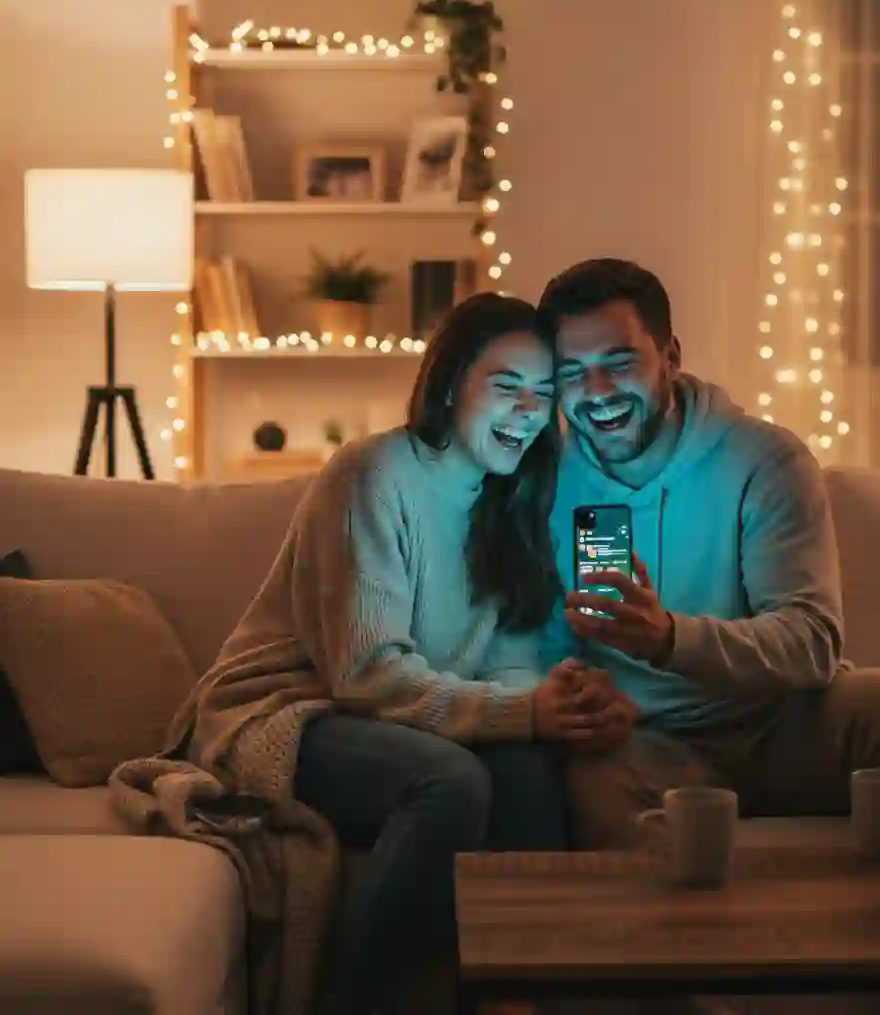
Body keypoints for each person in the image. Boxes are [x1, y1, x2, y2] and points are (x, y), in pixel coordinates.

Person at [207, 292, 628, 1015]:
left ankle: (519, 1003)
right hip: (290, 711)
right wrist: (525, 710)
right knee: (450, 781)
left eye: (542, 394)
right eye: (505, 386)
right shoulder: (372, 475)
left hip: (395, 713)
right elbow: (365, 674)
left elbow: (510, 658)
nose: (528, 411)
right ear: (448, 383)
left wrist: (550, 698)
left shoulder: (511, 498)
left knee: (529, 770)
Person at [534, 257, 880, 840]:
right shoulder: (543, 482)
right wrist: (574, 688)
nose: (596, 392)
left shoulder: (763, 461)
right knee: (590, 785)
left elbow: (812, 644)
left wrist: (669, 639)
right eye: (572, 371)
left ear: (671, 357)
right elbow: (526, 637)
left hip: (780, 721)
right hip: (646, 737)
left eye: (619, 362)